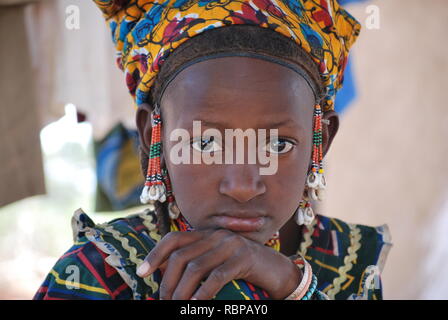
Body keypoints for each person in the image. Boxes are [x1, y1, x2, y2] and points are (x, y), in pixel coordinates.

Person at [34, 0, 392, 300]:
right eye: (205, 143)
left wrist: (290, 284)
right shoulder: (100, 271)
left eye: (278, 144)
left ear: (322, 138)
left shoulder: (351, 261)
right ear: (150, 133)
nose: (243, 185)